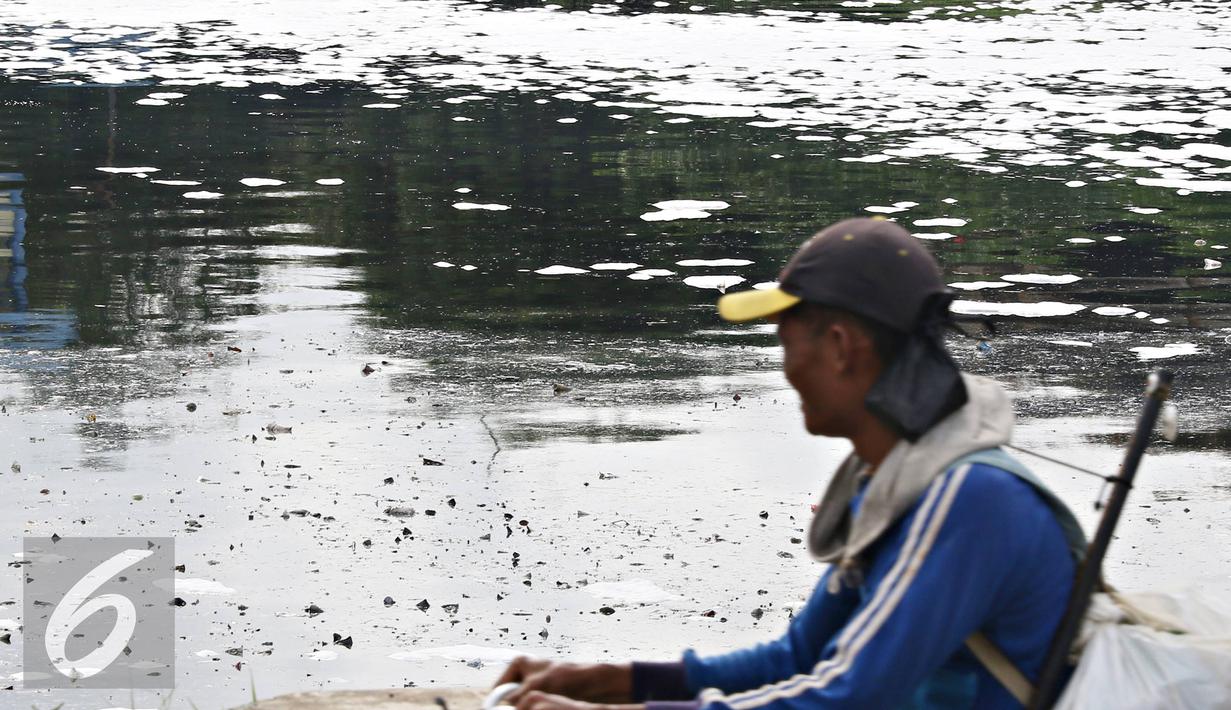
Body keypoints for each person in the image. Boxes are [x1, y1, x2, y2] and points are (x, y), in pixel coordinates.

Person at [495, 217, 1084, 710]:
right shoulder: (895, 477)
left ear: (838, 346)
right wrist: (616, 681)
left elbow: (845, 698)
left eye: (785, 340)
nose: (784, 367)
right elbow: (799, 660)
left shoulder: (970, 501)